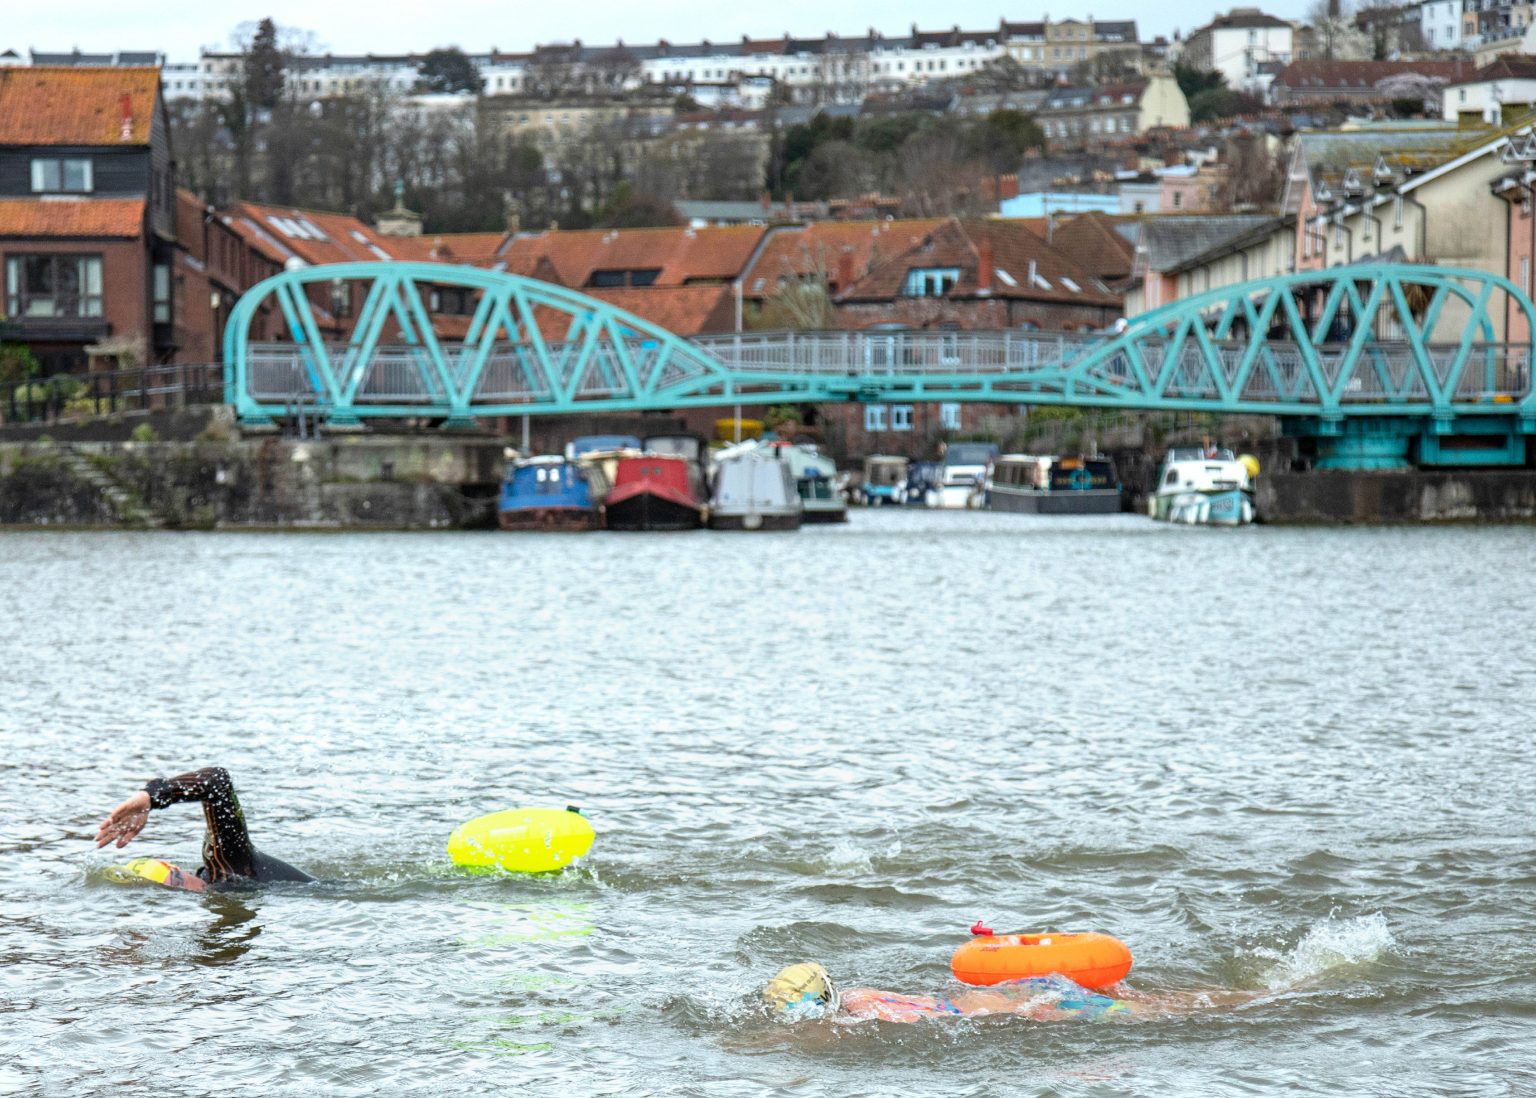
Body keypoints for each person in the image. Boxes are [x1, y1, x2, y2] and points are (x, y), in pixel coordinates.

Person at [761, 962, 1255, 1024]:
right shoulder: (863, 995)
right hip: (1023, 990)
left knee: (1169, 1013)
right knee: (1162, 1003)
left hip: (1038, 1004)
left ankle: (1268, 995)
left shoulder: (873, 1017)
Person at [95, 766, 313, 886]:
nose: (177, 888)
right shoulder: (218, 883)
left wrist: (151, 797)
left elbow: (217, 781)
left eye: (174, 880)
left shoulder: (229, 868)